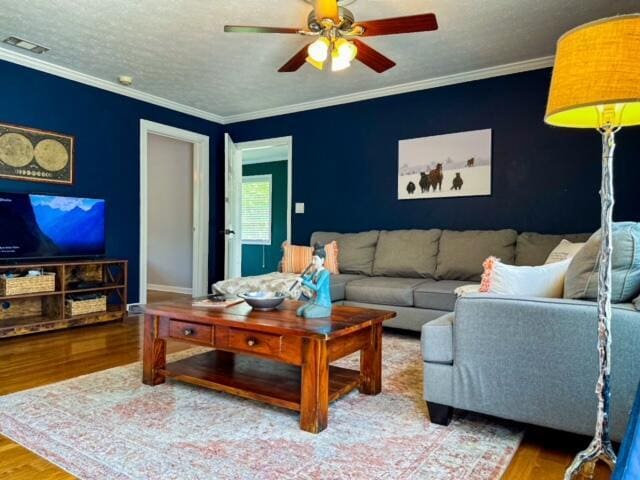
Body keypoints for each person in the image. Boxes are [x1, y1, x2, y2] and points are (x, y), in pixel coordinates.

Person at [296, 243, 332, 318]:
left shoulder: (325, 273)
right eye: (312, 259)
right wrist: (302, 278)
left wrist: (303, 281)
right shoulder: (315, 271)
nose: (313, 262)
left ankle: (325, 311)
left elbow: (316, 287)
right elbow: (308, 279)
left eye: (315, 259)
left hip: (323, 303)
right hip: (313, 300)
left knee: (306, 313)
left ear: (322, 260)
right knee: (299, 312)